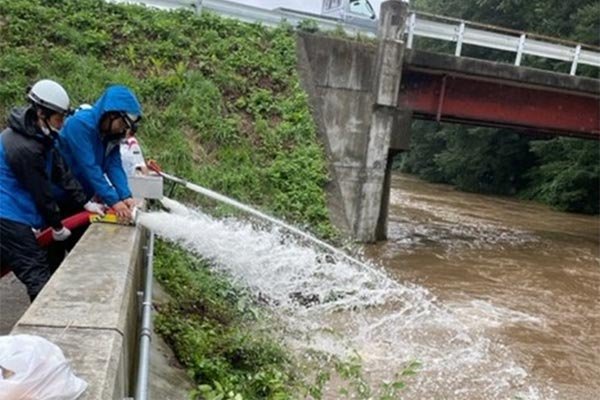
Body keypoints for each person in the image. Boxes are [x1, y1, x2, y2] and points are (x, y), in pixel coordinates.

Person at [0, 79, 105, 301]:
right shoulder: (22, 146)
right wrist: (57, 225)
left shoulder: (42, 136)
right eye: (59, 118)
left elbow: (61, 171)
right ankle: (43, 331)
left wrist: (85, 202)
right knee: (36, 272)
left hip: (13, 213)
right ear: (41, 113)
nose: (62, 124)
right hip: (6, 216)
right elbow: (41, 191)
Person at [58, 85, 142, 221]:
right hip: (57, 196)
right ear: (111, 114)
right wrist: (114, 200)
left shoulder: (110, 136)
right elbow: (90, 167)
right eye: (122, 123)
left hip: (80, 198)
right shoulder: (80, 125)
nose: (123, 129)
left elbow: (114, 166)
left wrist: (126, 196)